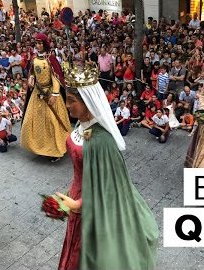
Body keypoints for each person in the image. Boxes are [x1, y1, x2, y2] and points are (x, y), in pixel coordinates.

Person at [56, 63, 158, 270]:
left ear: (88, 102)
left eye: (72, 101)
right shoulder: (82, 125)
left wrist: (77, 205)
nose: (67, 105)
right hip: (77, 195)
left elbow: (111, 188)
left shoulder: (104, 142)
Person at [20, 33, 71, 162]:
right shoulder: (34, 58)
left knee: (52, 122)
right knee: (32, 121)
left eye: (40, 43)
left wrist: (55, 93)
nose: (38, 45)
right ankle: (41, 147)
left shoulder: (51, 59)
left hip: (50, 93)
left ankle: (56, 151)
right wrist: (31, 78)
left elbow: (56, 77)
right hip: (38, 93)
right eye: (36, 43)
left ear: (45, 44)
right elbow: (32, 72)